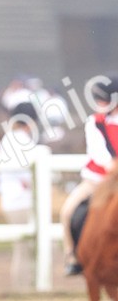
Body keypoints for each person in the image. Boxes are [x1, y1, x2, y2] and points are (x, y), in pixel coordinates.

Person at [60, 74, 118, 275]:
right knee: (67, 211)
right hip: (97, 182)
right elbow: (100, 153)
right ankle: (72, 256)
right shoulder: (95, 122)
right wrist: (112, 166)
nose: (100, 103)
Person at [0, 106, 36, 289]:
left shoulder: (7, 139)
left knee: (22, 247)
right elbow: (28, 177)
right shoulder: (23, 140)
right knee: (26, 248)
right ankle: (25, 287)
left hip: (10, 200)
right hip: (22, 200)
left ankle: (25, 286)